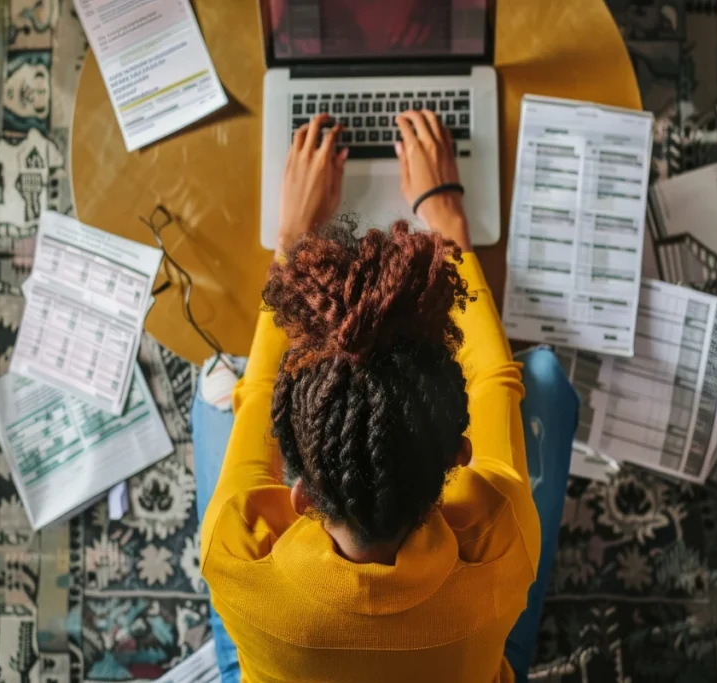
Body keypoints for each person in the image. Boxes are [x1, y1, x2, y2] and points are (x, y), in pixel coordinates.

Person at [194, 111, 579, 683]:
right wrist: (446, 221)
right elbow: (498, 378)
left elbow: (258, 395)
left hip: (278, 652)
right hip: (471, 646)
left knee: (215, 383)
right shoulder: (495, 540)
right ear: (460, 459)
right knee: (543, 373)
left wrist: (291, 242)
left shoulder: (237, 554)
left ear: (299, 496)